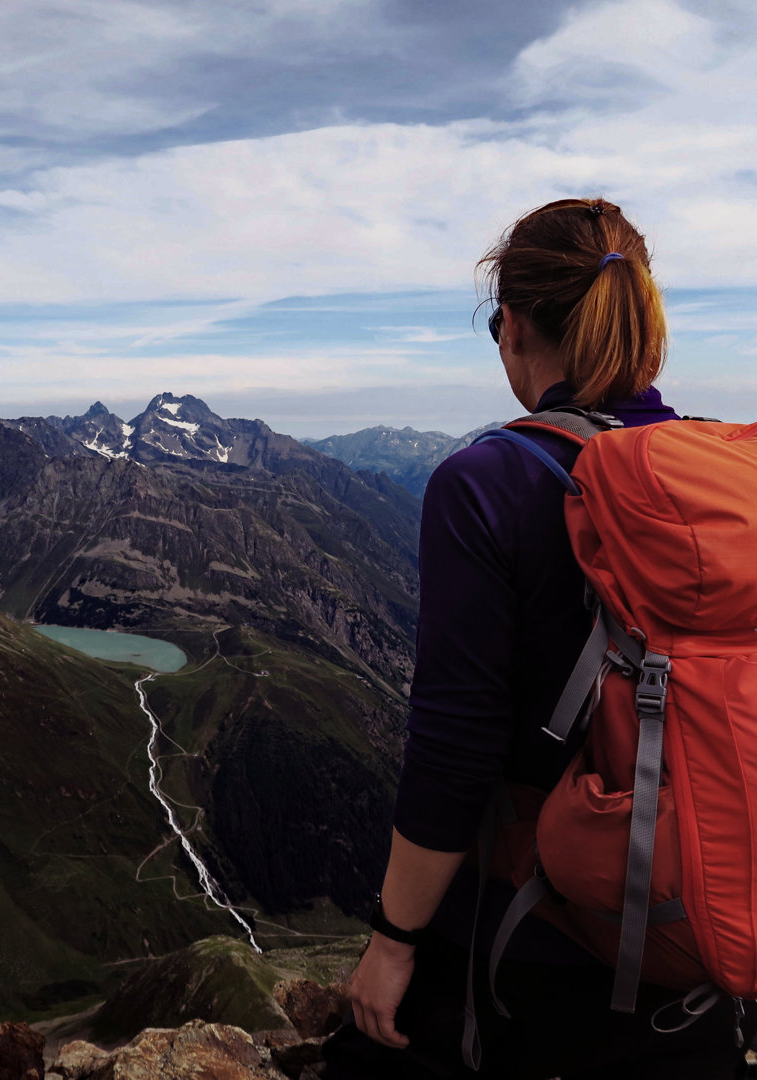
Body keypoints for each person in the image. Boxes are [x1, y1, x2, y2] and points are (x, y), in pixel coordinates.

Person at [322, 198, 754, 1079]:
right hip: (704, 916)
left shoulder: (485, 481)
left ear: (513, 324)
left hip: (540, 934)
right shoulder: (717, 473)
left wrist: (395, 940)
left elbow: (454, 742)